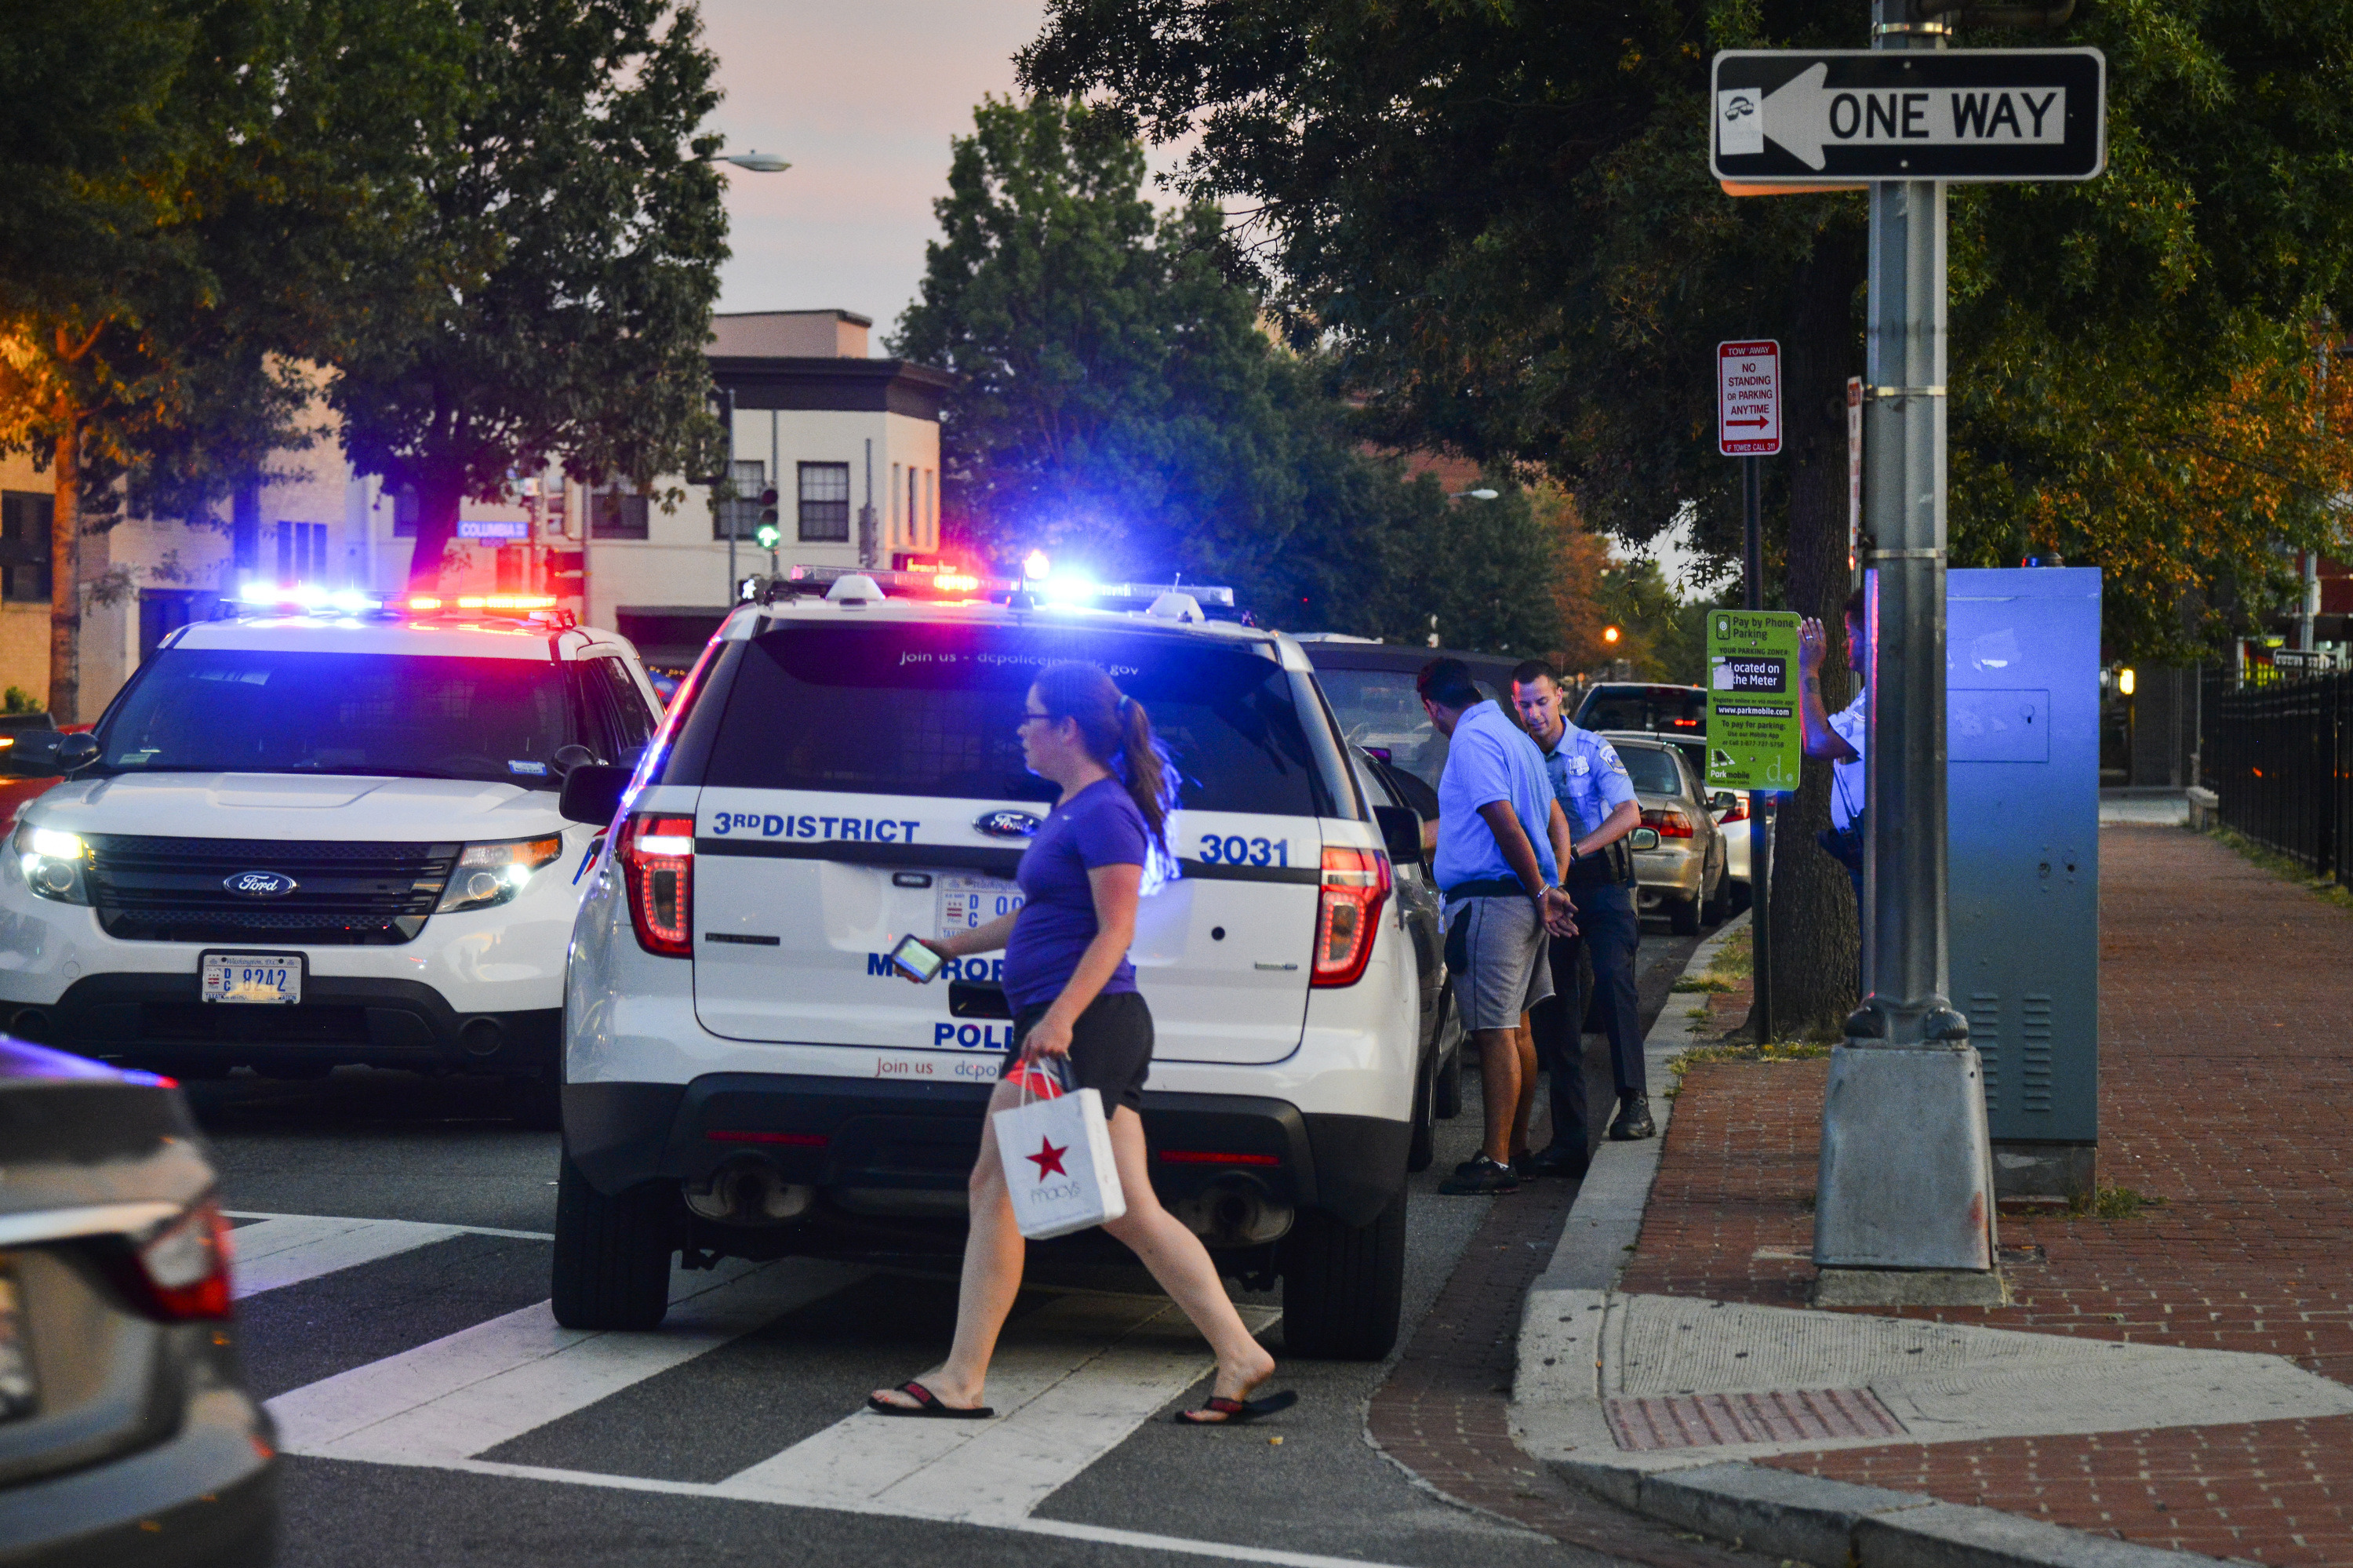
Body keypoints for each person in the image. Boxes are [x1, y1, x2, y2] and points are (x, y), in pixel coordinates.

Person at [868, 664, 1293, 1427]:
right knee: (1128, 1208)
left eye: (1032, 717)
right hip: (1085, 1026)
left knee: (993, 1188)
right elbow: (1039, 912)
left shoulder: (1105, 812)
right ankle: (1240, 1353)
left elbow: (1117, 929)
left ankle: (963, 1378)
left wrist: (1059, 1019)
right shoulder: (1071, 805)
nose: (1020, 729)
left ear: (1068, 728)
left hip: (1085, 1029)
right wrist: (947, 946)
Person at [1417, 657, 1578, 1196]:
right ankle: (1517, 1148)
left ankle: (1496, 1158)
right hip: (1525, 902)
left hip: (1494, 901)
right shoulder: (1517, 738)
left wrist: (1539, 888)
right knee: (1519, 1030)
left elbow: (1500, 818)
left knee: (1492, 1034)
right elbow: (1555, 820)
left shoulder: (1469, 739)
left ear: (1432, 706)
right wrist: (1552, 884)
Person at [1510, 659, 1648, 1173]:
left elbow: (1629, 813)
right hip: (1550, 889)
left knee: (1614, 978)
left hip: (1601, 882)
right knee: (1555, 1008)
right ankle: (1568, 1141)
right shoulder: (1519, 756)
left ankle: (1634, 1100)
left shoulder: (1593, 748)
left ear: (1561, 697)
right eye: (1523, 704)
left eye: (1541, 701)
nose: (1533, 713)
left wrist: (1575, 852)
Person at [1799, 588, 1868, 991]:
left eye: (1853, 633)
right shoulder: (1871, 693)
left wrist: (1807, 670)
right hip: (1861, 847)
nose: (1847, 644)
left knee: (1877, 956)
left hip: (1876, 847)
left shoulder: (1885, 695)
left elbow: (1820, 742)